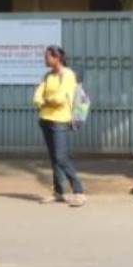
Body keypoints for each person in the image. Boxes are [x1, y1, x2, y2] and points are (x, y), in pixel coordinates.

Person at [33, 45, 85, 207]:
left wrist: (46, 100)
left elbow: (60, 99)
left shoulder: (68, 75)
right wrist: (46, 100)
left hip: (60, 121)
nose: (45, 59)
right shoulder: (47, 76)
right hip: (45, 119)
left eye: (47, 57)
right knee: (54, 158)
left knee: (61, 157)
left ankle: (79, 192)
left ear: (57, 58)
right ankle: (58, 192)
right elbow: (36, 97)